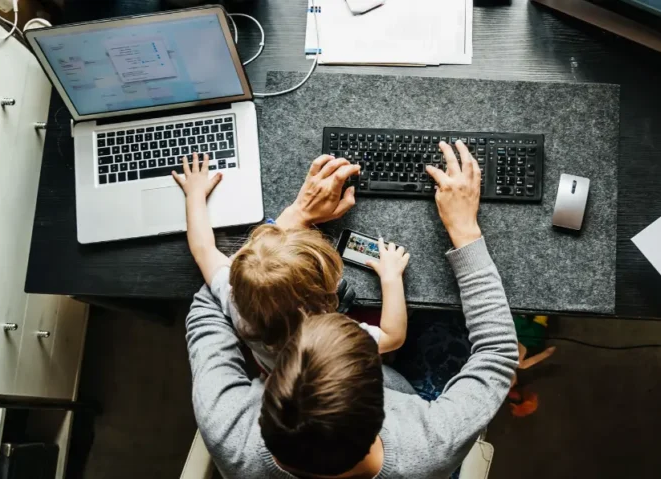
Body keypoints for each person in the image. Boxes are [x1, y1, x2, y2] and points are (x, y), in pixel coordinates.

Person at [184, 141, 520, 478]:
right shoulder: (429, 445)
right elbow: (497, 353)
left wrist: (290, 223)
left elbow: (207, 306)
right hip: (410, 391)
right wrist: (465, 230)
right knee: (448, 325)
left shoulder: (227, 431)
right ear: (381, 409)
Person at [172, 153, 411, 371]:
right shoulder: (332, 337)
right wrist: (391, 278)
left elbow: (203, 248)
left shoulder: (235, 298)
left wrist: (194, 195)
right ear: (326, 298)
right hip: (325, 367)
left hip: (275, 367)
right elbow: (393, 337)